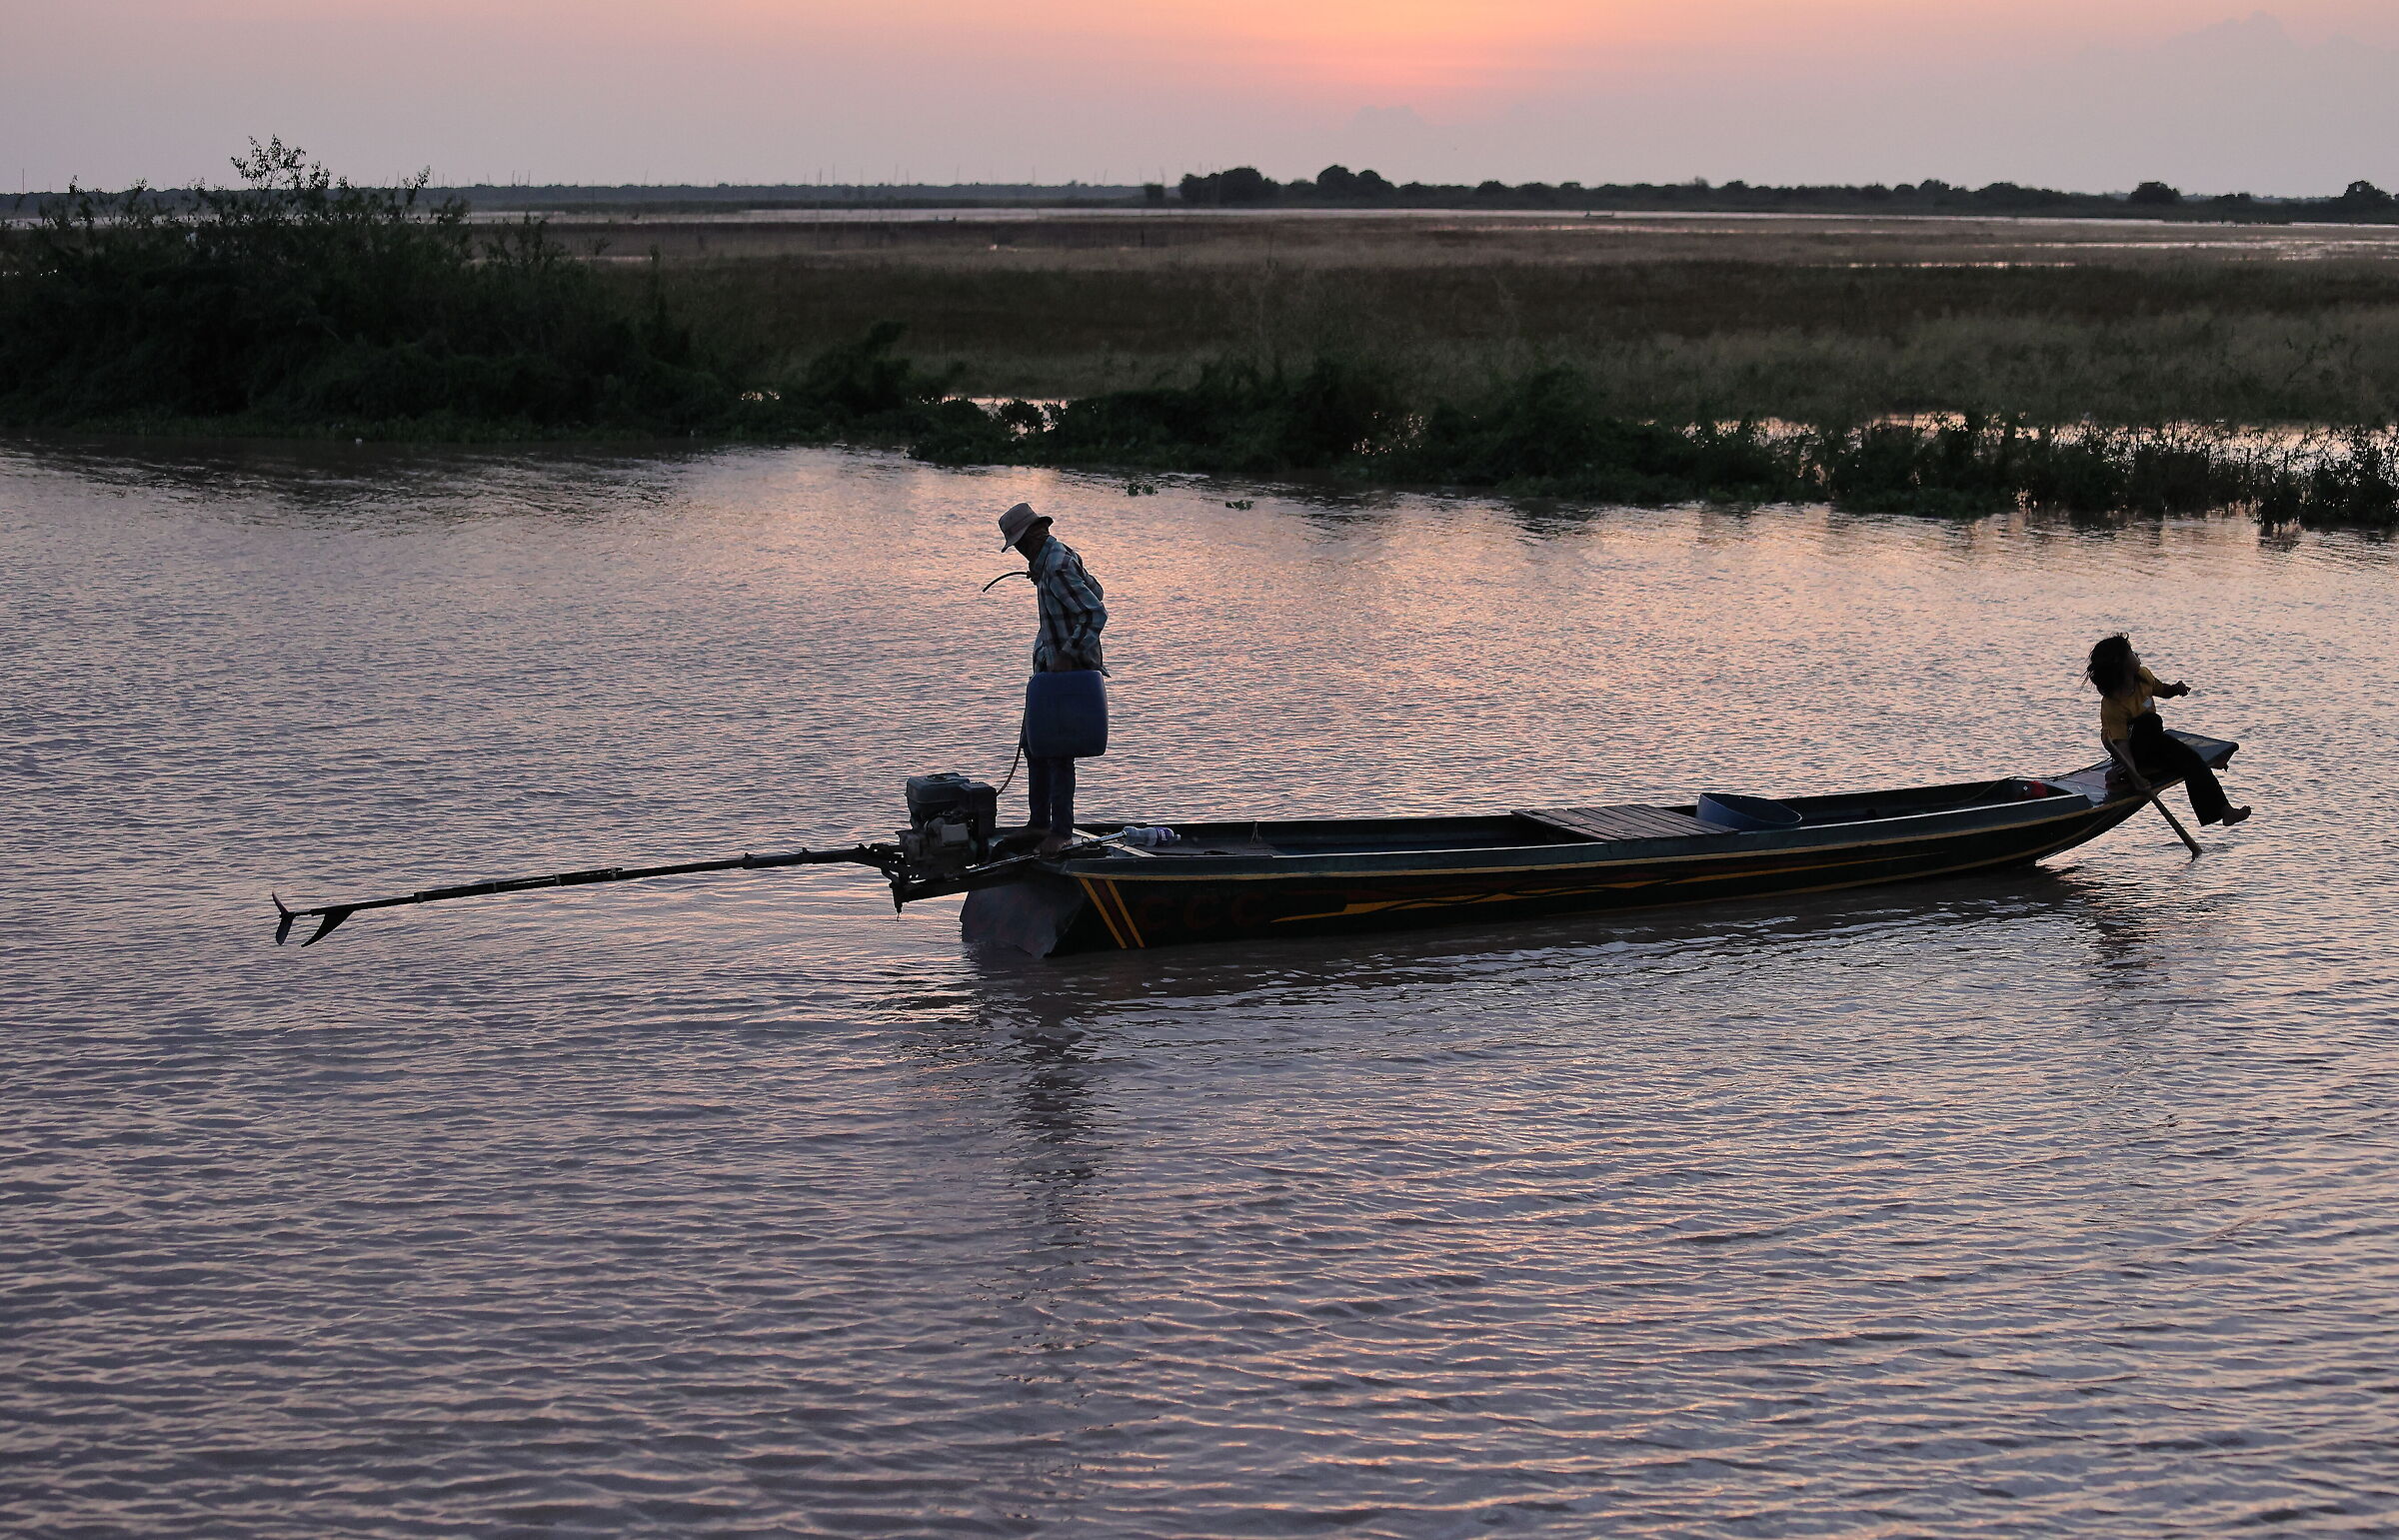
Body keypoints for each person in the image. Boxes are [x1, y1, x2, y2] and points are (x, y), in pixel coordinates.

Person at [998, 502, 1107, 854]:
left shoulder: (1057, 567)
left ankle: (1060, 830)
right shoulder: (1054, 560)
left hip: (1068, 670)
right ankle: (1039, 823)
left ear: (1030, 538)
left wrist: (1068, 653)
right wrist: (1040, 573)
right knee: (1035, 745)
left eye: (1019, 546)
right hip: (1051, 668)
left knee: (1058, 751)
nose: (1020, 553)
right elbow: (1096, 590)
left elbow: (1094, 612)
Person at [2086, 633, 2250, 825]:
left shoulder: (2143, 677)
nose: (2136, 654)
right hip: (2130, 752)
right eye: (2130, 652)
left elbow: (2162, 690)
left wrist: (2176, 689)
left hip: (2155, 742)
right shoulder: (2113, 704)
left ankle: (2225, 811)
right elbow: (2121, 744)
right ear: (2121, 664)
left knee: (2193, 761)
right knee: (2147, 722)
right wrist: (2135, 777)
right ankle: (2121, 773)